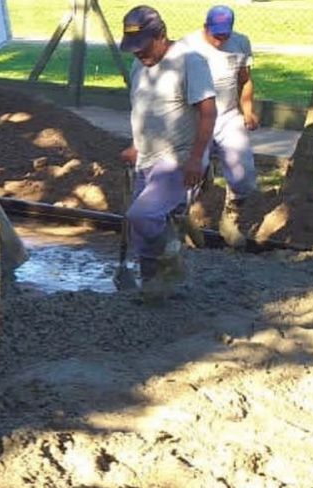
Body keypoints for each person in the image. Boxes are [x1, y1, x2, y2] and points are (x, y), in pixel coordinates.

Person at [118, 5, 216, 297]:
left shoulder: (189, 62)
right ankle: (153, 291)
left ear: (161, 35)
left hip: (179, 158)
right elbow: (145, 110)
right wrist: (136, 145)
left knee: (142, 216)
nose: (139, 54)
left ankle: (172, 254)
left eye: (144, 47)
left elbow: (208, 112)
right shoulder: (140, 65)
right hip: (147, 159)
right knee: (141, 231)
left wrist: (197, 159)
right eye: (134, 49)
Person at [183, 5, 258, 246]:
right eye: (216, 35)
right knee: (190, 174)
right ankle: (182, 222)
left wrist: (247, 111)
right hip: (195, 119)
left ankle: (230, 219)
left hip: (227, 116)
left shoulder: (240, 43)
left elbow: (244, 80)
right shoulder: (188, 46)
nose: (220, 40)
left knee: (243, 174)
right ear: (206, 26)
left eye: (225, 35)